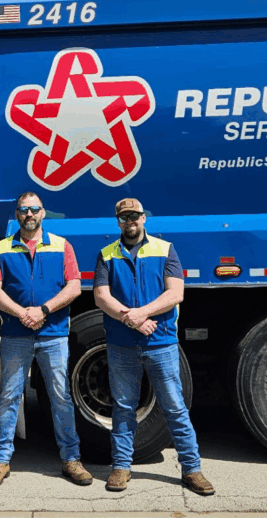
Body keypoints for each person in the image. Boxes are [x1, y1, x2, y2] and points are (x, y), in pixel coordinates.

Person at [92, 198, 214, 495]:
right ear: (118, 222)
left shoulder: (165, 249)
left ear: (144, 218)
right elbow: (101, 296)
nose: (130, 221)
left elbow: (175, 293)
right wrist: (132, 319)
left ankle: (192, 469)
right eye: (124, 217)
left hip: (161, 343)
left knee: (174, 407)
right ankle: (121, 467)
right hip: (122, 344)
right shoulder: (107, 254)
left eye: (135, 215)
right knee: (124, 408)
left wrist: (141, 314)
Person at [0, 191, 92, 488]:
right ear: (17, 214)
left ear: (43, 213)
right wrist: (22, 313)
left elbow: (74, 286)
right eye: (23, 210)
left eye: (34, 209)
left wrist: (43, 310)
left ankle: (71, 459)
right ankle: (0, 460)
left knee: (61, 397)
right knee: (8, 397)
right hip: (16, 334)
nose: (29, 214)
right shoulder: (2, 248)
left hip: (53, 334)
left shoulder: (62, 245)